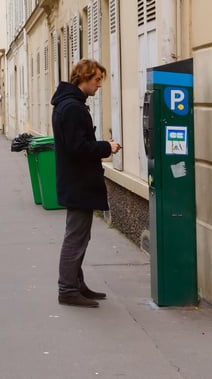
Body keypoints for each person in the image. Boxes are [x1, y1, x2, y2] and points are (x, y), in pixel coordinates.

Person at [51, 59, 121, 308]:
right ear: (84, 78)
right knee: (76, 237)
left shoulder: (70, 104)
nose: (99, 85)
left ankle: (76, 284)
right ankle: (68, 289)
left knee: (80, 235)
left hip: (76, 182)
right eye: (97, 80)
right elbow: (77, 147)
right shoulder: (72, 108)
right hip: (78, 183)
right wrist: (106, 147)